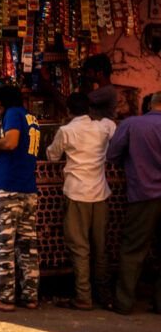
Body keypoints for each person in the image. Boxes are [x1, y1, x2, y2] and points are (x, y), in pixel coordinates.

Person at [0, 85, 41, 312]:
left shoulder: (12, 114)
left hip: (9, 188)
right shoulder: (31, 117)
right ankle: (30, 296)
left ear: (3, 103)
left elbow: (10, 143)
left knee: (4, 245)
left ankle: (5, 298)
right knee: (27, 246)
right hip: (28, 190)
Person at [46, 92, 116, 309]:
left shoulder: (66, 131)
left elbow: (52, 156)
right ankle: (104, 295)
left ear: (68, 111)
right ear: (89, 109)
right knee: (100, 247)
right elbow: (115, 132)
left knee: (79, 247)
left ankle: (83, 296)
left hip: (76, 193)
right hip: (100, 193)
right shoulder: (105, 127)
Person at [106, 91, 161, 315]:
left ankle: (124, 302)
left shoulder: (132, 124)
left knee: (133, 250)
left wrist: (130, 162)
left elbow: (112, 155)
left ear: (149, 104)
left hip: (143, 195)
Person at [82, 53, 117, 120]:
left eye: (89, 72)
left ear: (99, 73)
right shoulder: (107, 89)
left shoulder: (106, 91)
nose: (87, 75)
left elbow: (77, 104)